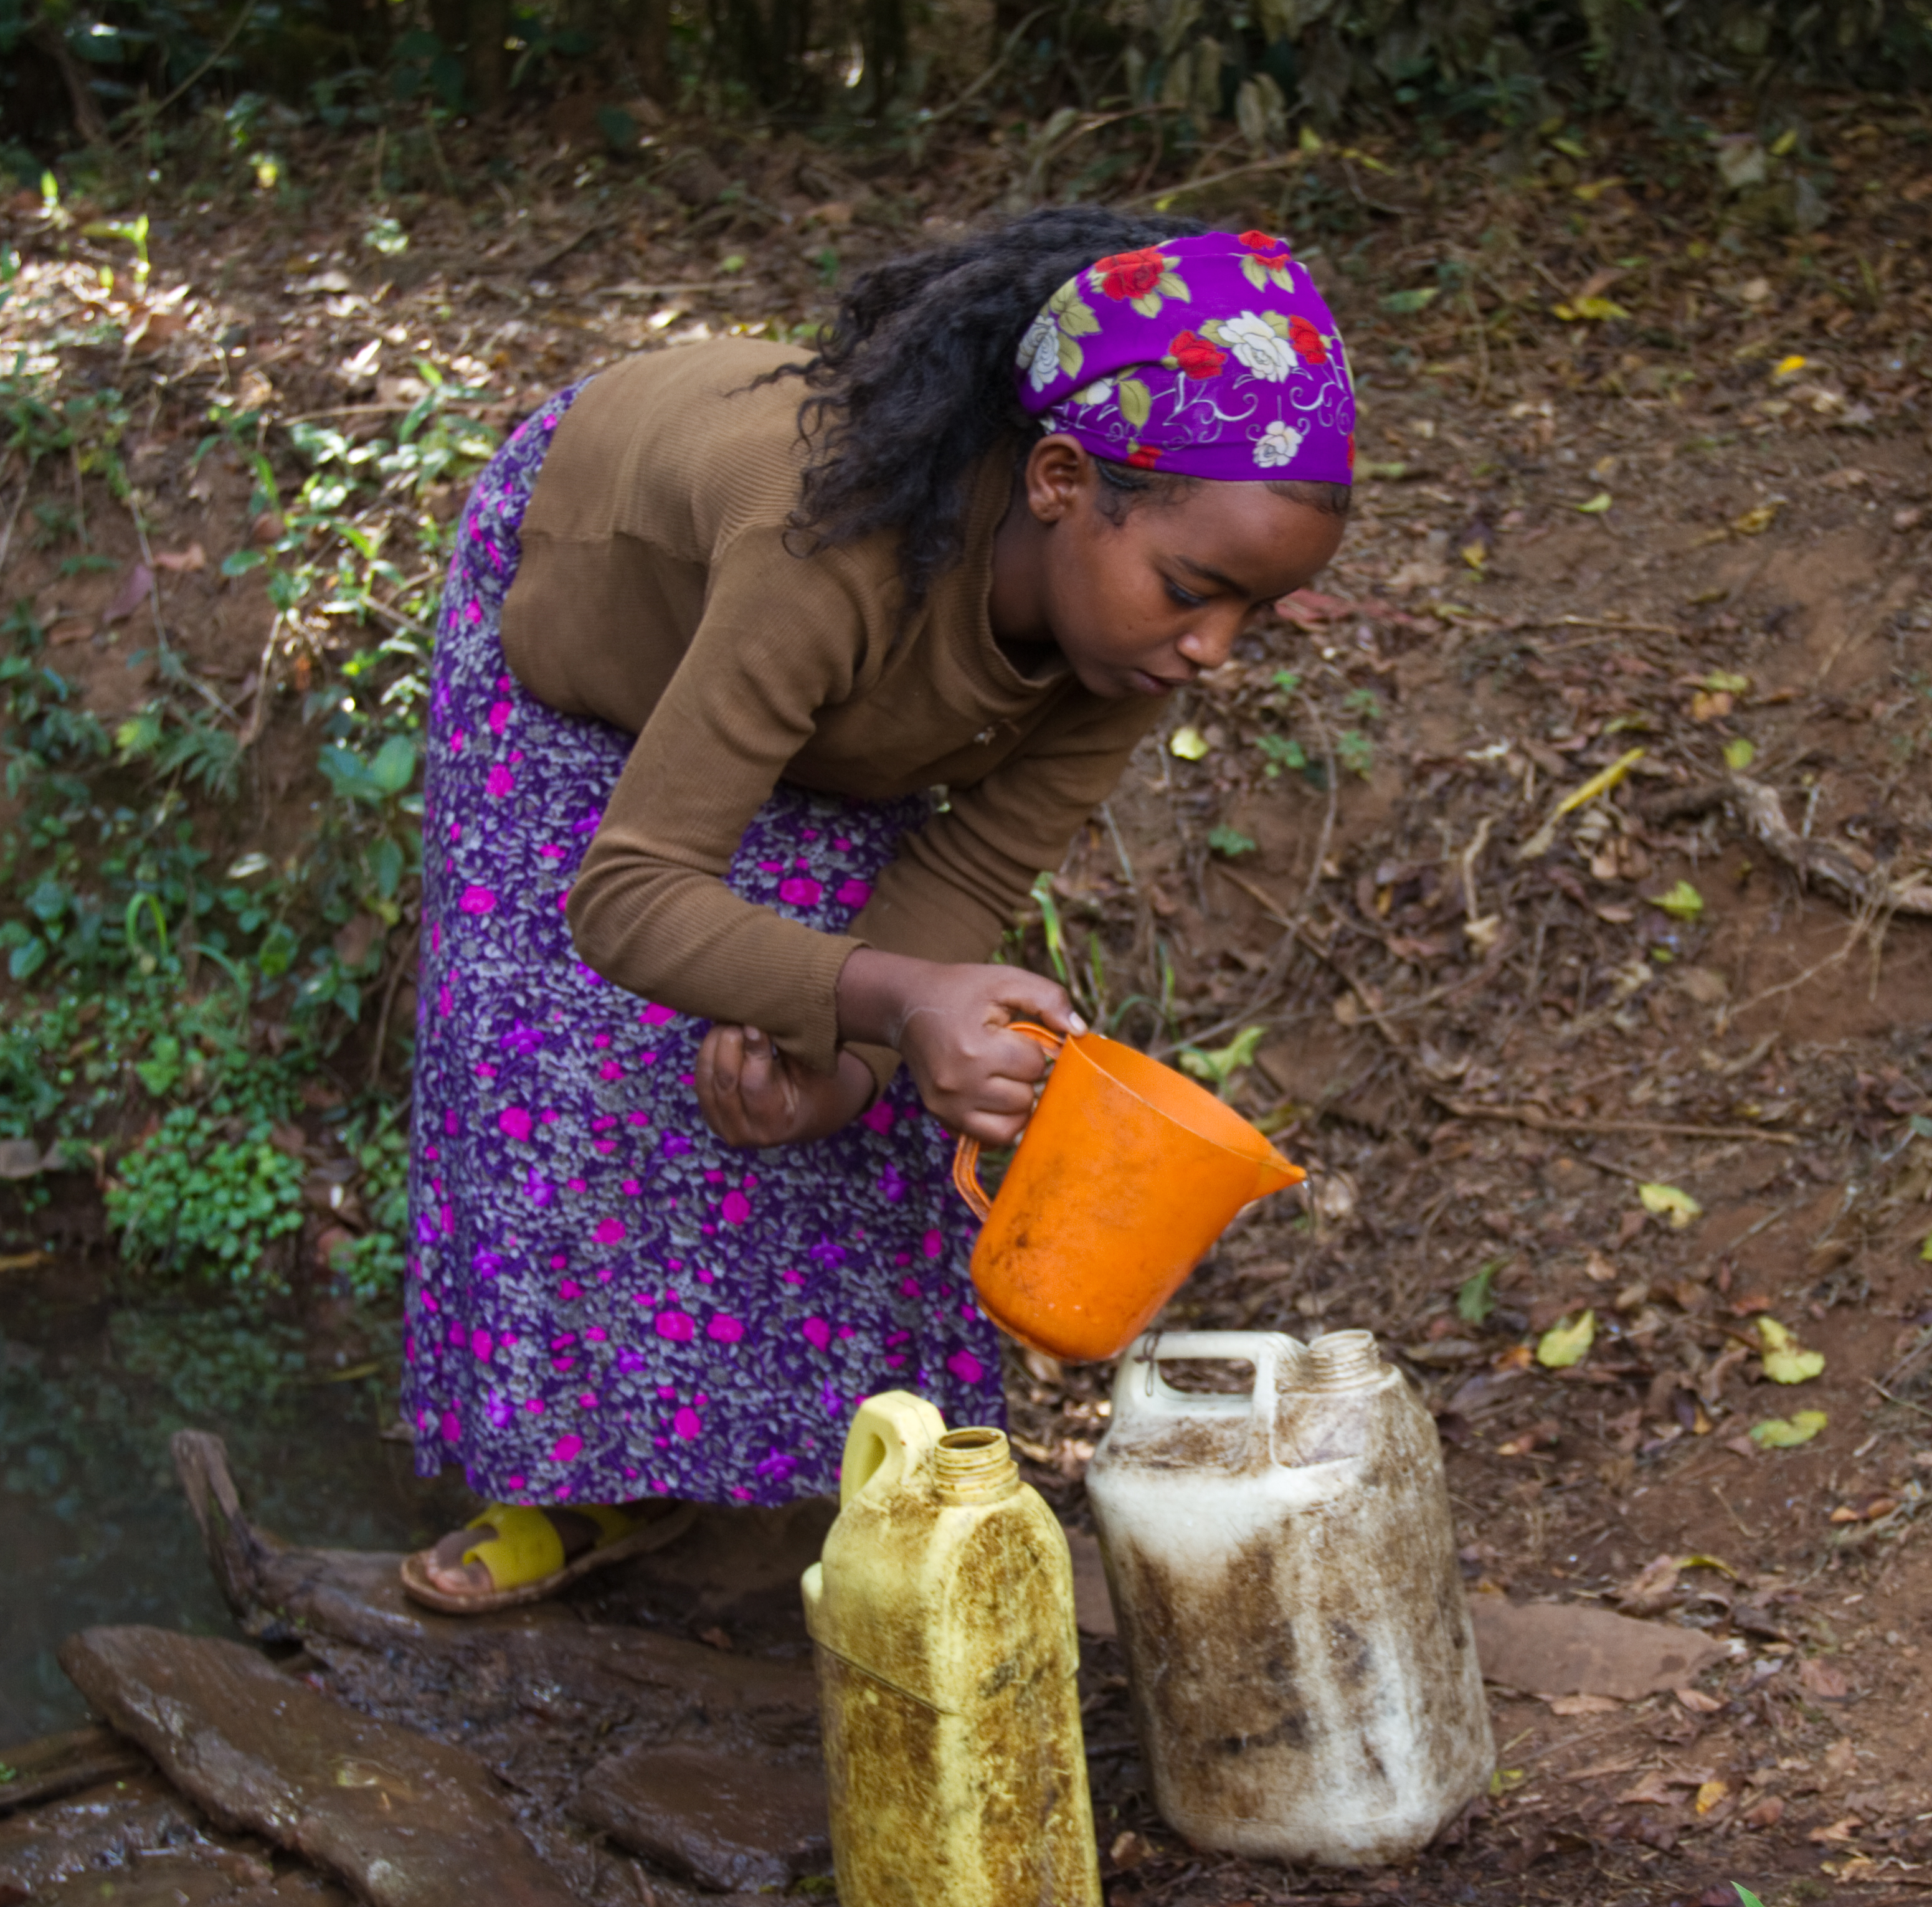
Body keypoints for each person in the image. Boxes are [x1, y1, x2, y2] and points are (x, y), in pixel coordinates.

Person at [394, 208, 1357, 1609]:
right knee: (584, 1041)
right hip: (605, 631)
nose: (1214, 649)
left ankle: (835, 1479)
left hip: (840, 690)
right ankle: (566, 1489)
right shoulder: (818, 543)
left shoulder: (1121, 651)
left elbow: (959, 879)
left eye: (1253, 616)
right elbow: (629, 891)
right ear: (1059, 479)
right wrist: (895, 999)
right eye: (1195, 593)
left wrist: (845, 1066)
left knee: (850, 1060)